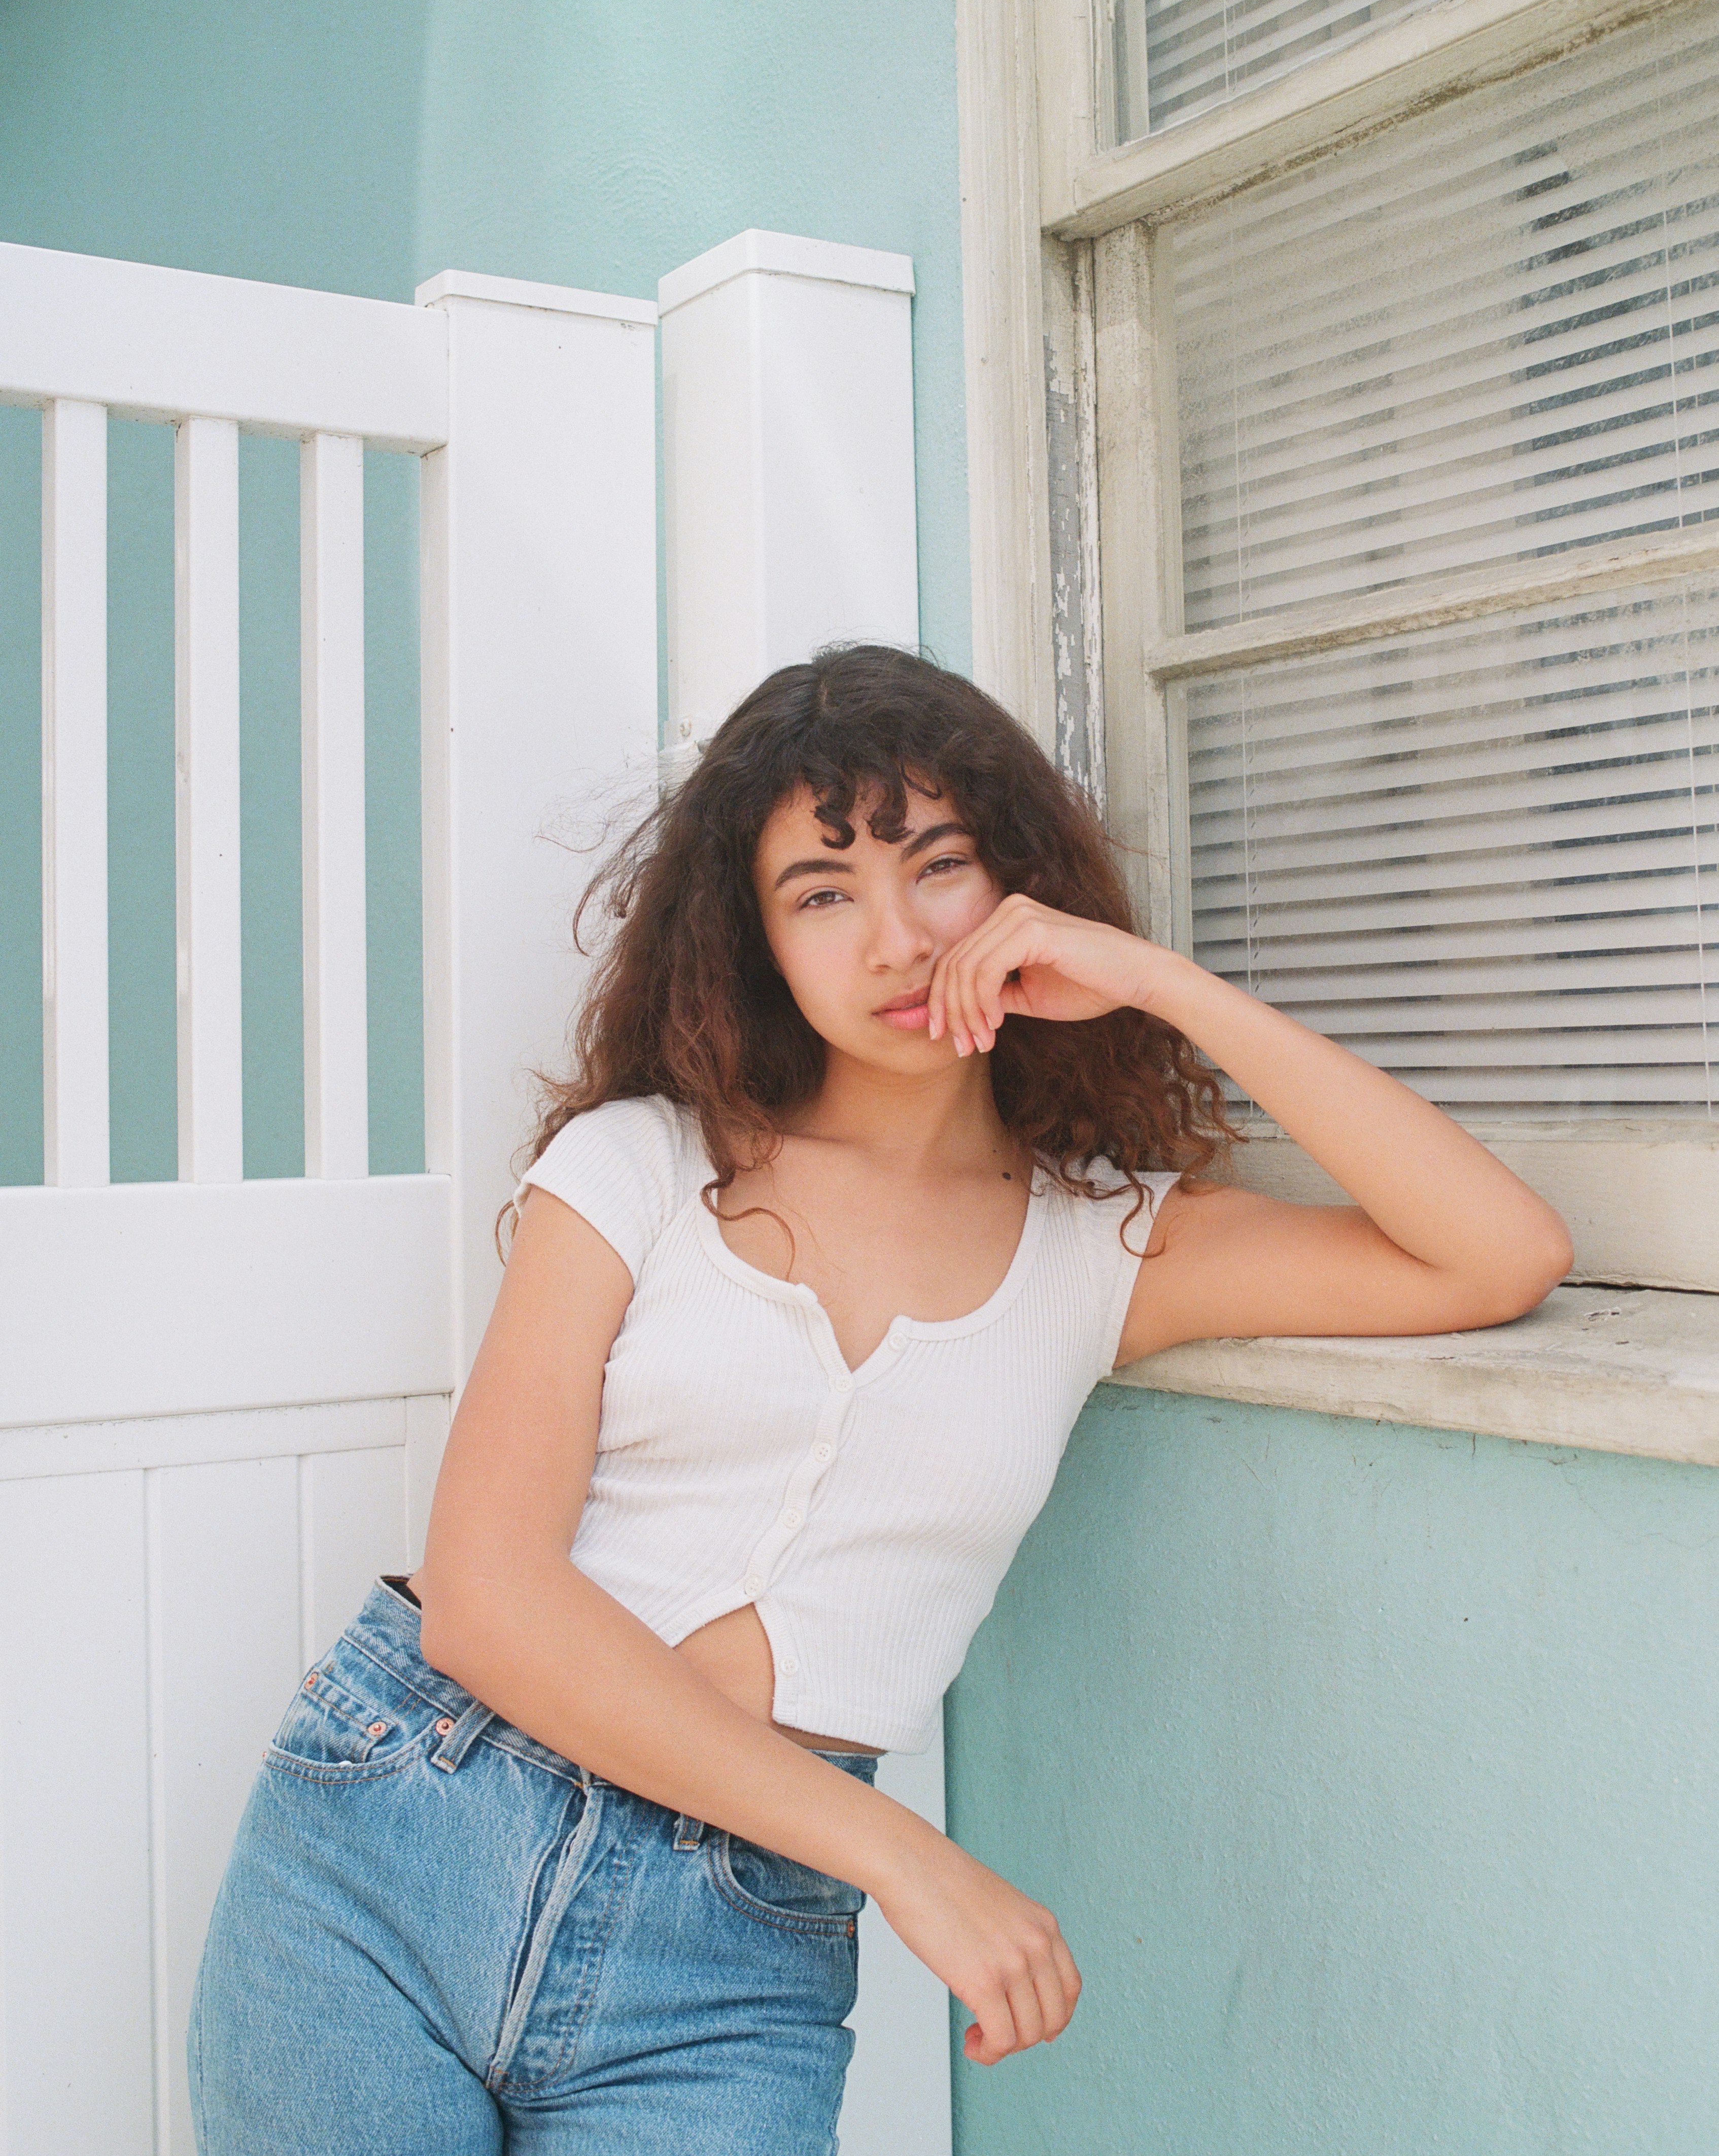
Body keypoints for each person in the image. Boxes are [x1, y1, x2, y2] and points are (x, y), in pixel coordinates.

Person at [189, 643, 1572, 2154]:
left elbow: (1498, 1252)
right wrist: (909, 1857)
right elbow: (486, 1597)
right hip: (402, 1830)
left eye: (941, 867)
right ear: (758, 938)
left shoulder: (1101, 1243)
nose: (897, 936)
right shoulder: (638, 1167)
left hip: (720, 1967)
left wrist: (1156, 980)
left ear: (1020, 888)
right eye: (824, 891)